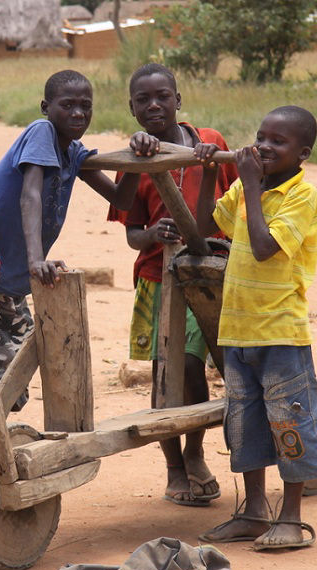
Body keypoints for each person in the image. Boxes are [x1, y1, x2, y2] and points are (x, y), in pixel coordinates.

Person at [195, 106, 317, 550]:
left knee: (288, 422)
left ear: (303, 153)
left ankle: (291, 517)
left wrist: (252, 186)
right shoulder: (241, 185)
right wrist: (202, 173)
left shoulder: (302, 196)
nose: (265, 147)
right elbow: (201, 226)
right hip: (236, 329)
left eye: (279, 141)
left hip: (280, 333)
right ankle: (255, 511)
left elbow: (260, 247)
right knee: (245, 424)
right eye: (261, 137)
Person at [0, 69, 141, 413]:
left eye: (86, 106)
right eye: (68, 105)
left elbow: (121, 200)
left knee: (10, 384)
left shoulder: (73, 153)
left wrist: (138, 158)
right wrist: (37, 261)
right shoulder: (41, 131)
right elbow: (30, 194)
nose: (78, 113)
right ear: (46, 107)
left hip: (14, 284)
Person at [108, 63, 238, 506]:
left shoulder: (211, 143)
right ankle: (175, 466)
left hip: (206, 273)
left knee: (192, 365)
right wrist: (153, 233)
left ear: (178, 100)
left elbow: (240, 201)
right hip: (156, 277)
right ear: (132, 109)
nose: (154, 105)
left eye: (162, 95)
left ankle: (197, 452)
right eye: (143, 99)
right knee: (167, 372)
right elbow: (132, 234)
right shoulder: (135, 160)